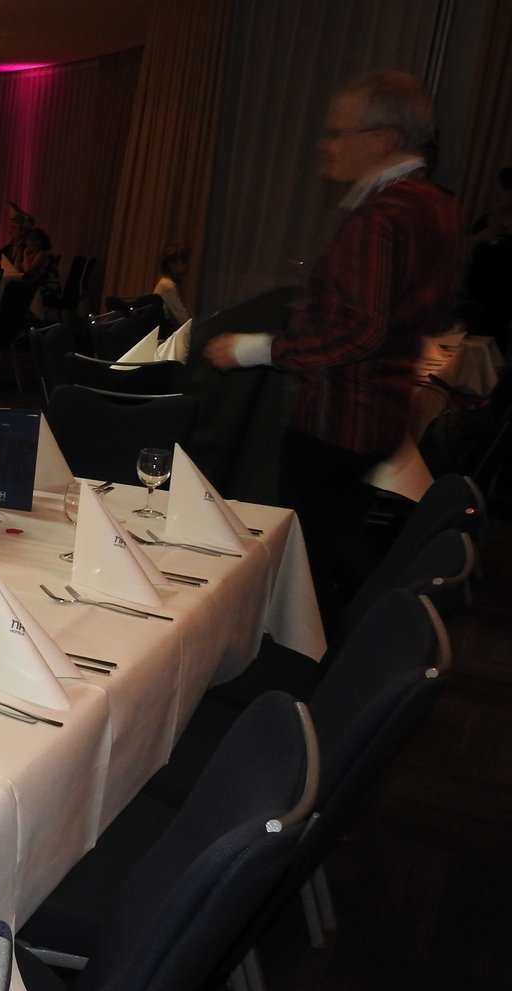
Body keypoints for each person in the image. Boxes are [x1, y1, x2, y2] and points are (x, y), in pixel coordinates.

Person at [203, 70, 461, 627]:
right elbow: (418, 311)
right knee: (339, 539)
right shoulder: (434, 204)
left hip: (339, 416)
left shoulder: (383, 213)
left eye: (339, 133)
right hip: (381, 410)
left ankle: (356, 655)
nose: (326, 146)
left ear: (385, 138)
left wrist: (257, 348)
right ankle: (384, 637)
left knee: (315, 555)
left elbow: (360, 331)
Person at [152, 241, 192, 325]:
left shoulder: (166, 284)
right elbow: (183, 319)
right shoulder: (167, 286)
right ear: (171, 264)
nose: (187, 266)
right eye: (183, 261)